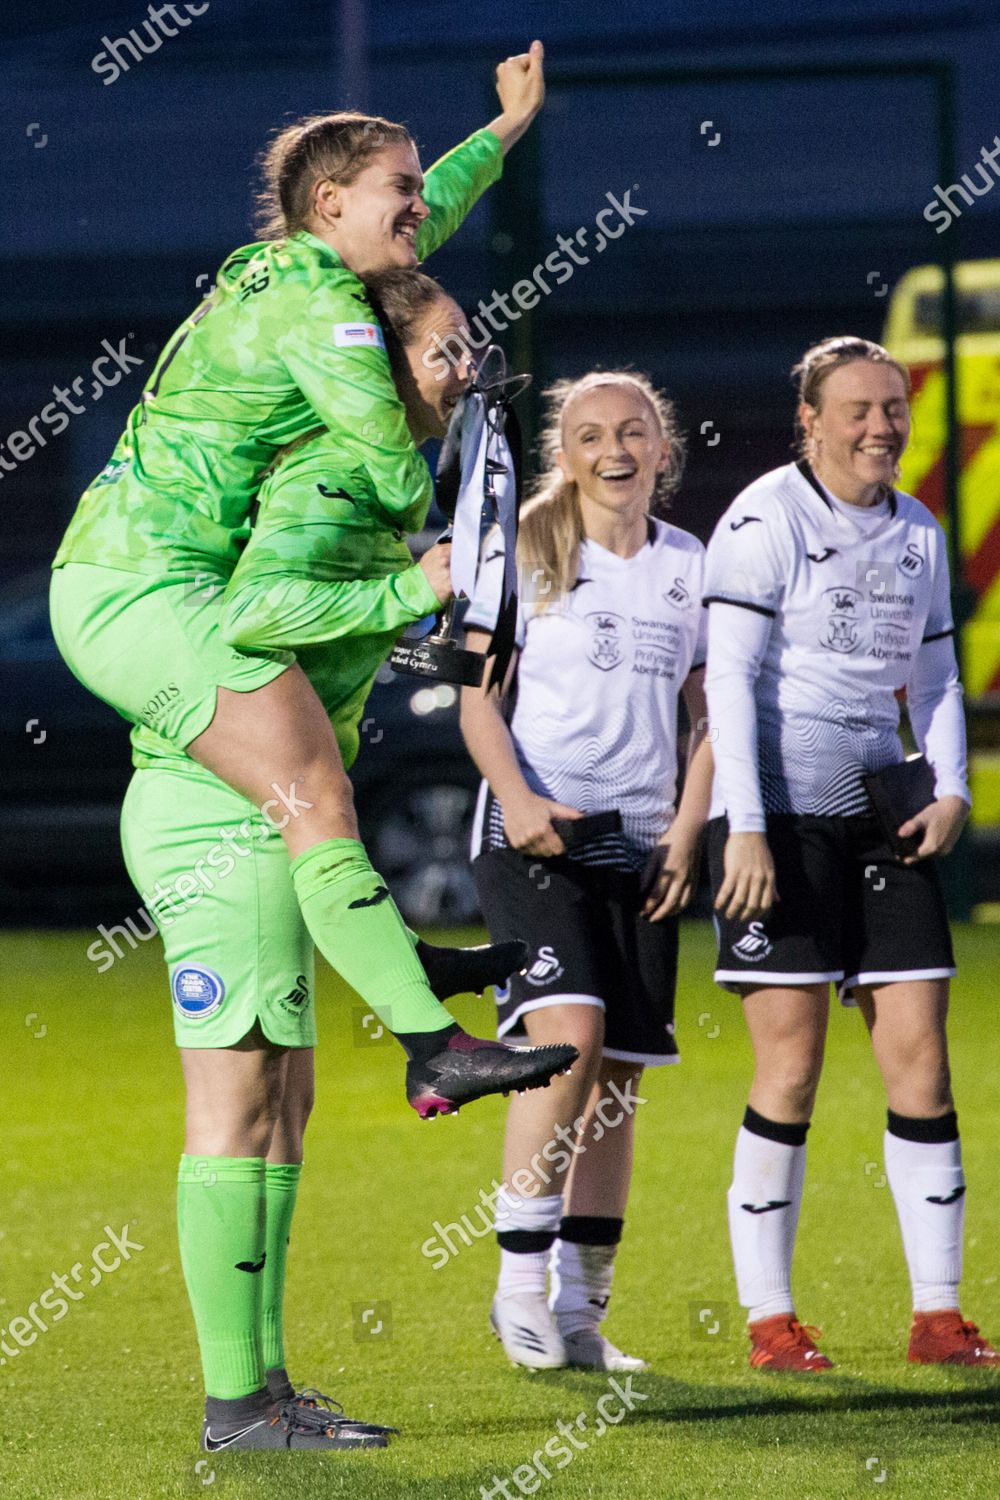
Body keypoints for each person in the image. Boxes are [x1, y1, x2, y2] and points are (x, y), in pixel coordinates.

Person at [49, 44, 571, 1111]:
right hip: (138, 587)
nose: (422, 205)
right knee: (318, 792)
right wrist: (431, 553)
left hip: (136, 581)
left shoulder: (303, 272)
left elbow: (427, 239)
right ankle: (431, 1042)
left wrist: (506, 133)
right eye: (400, 188)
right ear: (329, 202)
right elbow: (384, 446)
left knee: (274, 1104)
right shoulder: (318, 294)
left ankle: (404, 980)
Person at [117, 269, 573, 1455]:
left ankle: (262, 1395)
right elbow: (253, 619)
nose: (463, 369)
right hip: (212, 809)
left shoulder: (378, 474)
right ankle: (236, 1409)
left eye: (467, 348)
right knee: (233, 1109)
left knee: (281, 1105)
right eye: (440, 353)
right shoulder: (329, 468)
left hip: (246, 807)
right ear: (377, 371)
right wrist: (409, 589)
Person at [703, 335, 999, 1371]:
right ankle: (771, 1322)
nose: (881, 425)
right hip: (777, 824)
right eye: (859, 409)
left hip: (886, 820)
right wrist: (742, 826)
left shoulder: (917, 528)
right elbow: (727, 687)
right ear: (812, 422)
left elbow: (937, 675)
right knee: (789, 1066)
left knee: (920, 1056)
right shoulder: (759, 520)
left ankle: (937, 1316)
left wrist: (952, 786)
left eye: (892, 407)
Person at [459, 371, 714, 1370]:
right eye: (590, 435)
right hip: (535, 834)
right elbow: (478, 700)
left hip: (642, 847)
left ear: (661, 448)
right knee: (568, 1038)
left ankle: (580, 1314)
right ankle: (517, 1284)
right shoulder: (526, 545)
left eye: (633, 432)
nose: (614, 449)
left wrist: (688, 834)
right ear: (562, 457)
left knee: (615, 1085)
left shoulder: (692, 564)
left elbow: (708, 717)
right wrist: (520, 804)